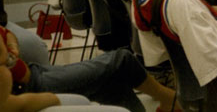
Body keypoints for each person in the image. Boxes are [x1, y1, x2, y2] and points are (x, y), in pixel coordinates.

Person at [0, 24, 178, 111]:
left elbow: (6, 31)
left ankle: (168, 100)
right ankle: (170, 99)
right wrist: (54, 99)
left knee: (114, 84)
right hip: (31, 88)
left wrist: (10, 46)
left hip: (34, 73)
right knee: (122, 60)